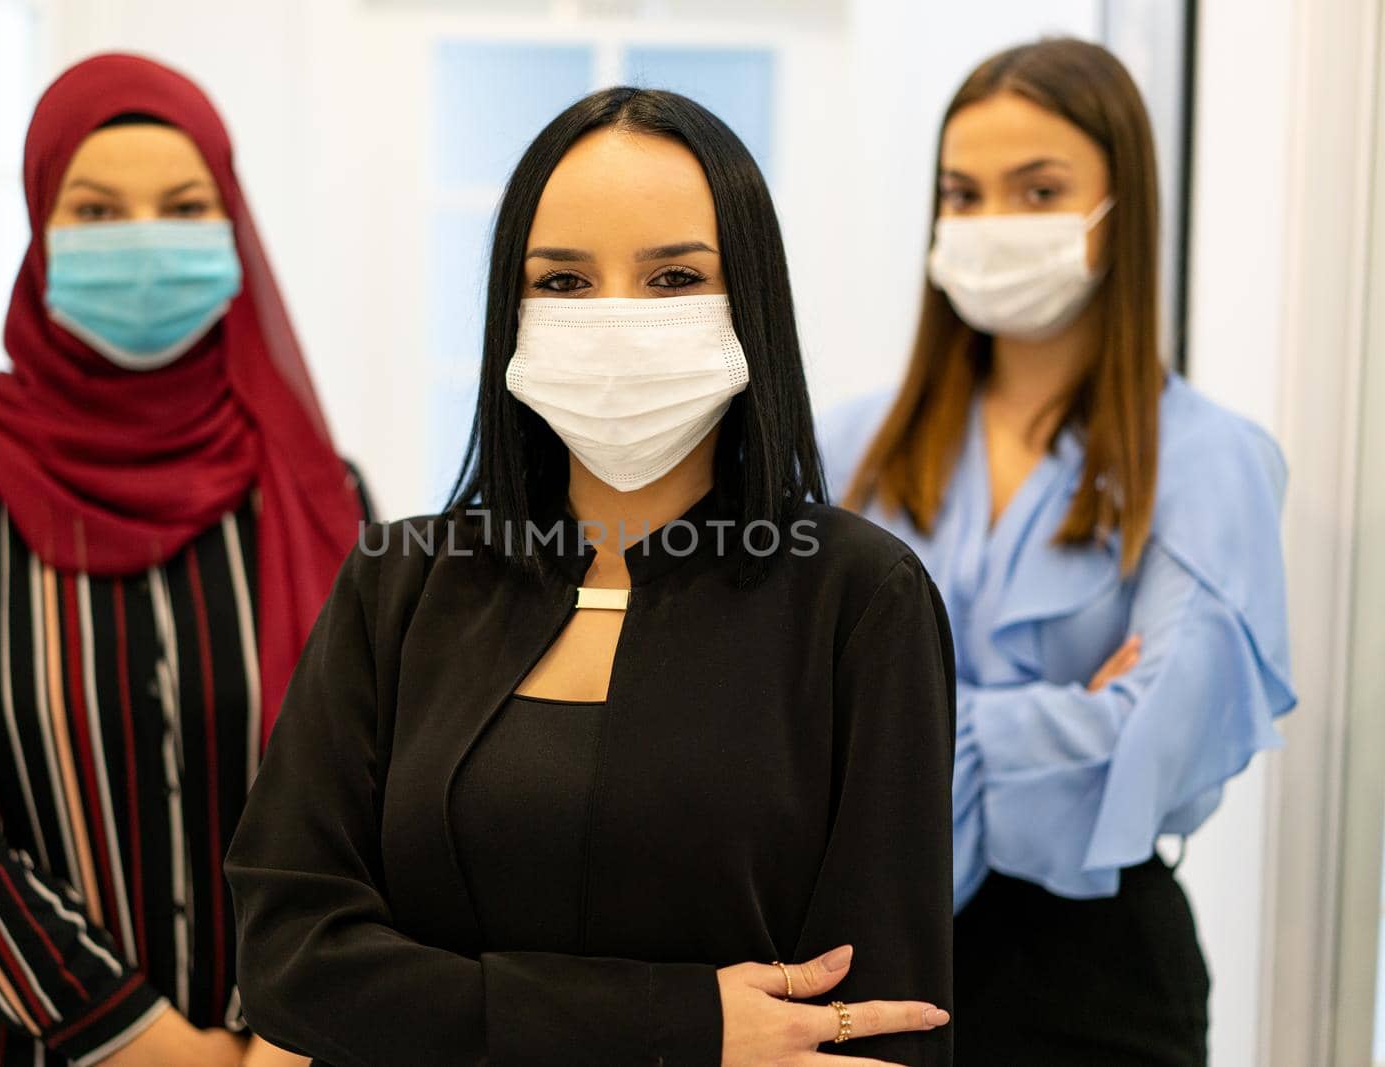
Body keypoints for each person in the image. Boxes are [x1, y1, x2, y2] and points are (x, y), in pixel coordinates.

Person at [226, 87, 957, 1066]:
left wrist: (448, 1013)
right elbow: (294, 959)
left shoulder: (861, 600)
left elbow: (871, 1026)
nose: (616, 316)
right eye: (564, 282)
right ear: (510, 310)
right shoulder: (395, 585)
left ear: (750, 301)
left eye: (672, 278)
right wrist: (681, 1025)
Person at [0, 54, 363, 1066]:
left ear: (232, 224)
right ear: (39, 233)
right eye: (96, 211)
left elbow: (369, 789)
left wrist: (275, 1028)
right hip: (20, 1043)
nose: (144, 242)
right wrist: (148, 1044)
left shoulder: (313, 488)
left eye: (181, 205)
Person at [819, 39, 1296, 1066]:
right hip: (854, 959)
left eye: (1038, 190)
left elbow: (1156, 752)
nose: (994, 224)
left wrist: (894, 724)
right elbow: (769, 722)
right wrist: (1068, 713)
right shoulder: (844, 447)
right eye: (964, 192)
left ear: (1120, 208)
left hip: (1097, 976)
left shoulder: (1213, 461)